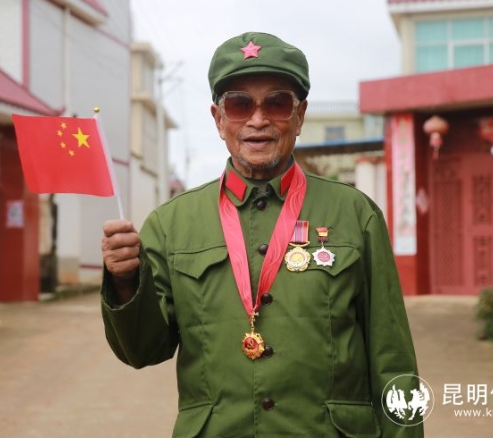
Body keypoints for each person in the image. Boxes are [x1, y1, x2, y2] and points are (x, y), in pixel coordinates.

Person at [101, 32, 424, 437]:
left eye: (277, 103)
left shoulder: (356, 215)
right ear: (219, 119)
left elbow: (393, 361)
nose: (258, 120)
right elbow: (143, 350)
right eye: (239, 104)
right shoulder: (171, 224)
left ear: (300, 116)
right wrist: (125, 282)